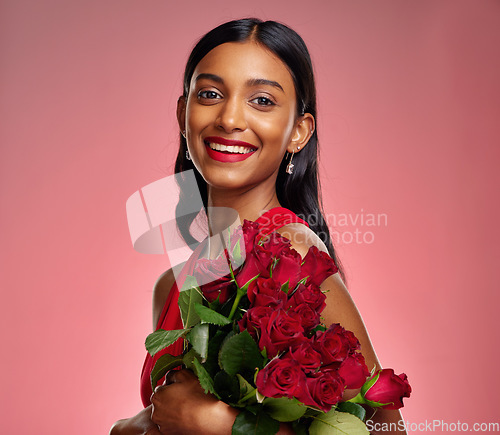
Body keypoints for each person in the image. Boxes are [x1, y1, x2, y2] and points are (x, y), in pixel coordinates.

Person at [110, 18, 406, 435]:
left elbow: (389, 430)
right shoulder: (170, 288)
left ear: (298, 132)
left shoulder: (293, 254)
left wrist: (223, 424)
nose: (229, 119)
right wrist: (133, 426)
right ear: (183, 112)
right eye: (210, 94)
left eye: (262, 100)